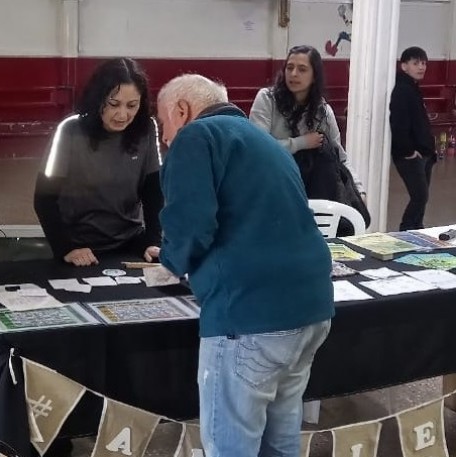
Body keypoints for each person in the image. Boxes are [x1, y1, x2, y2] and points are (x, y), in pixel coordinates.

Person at [154, 73, 334, 457]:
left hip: (250, 316)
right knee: (280, 441)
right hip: (311, 310)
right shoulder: (263, 141)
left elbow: (191, 225)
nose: (165, 139)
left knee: (230, 447)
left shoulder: (195, 137)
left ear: (181, 111)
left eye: (163, 126)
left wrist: (169, 259)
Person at [33, 57, 163, 267]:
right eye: (113, 104)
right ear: (98, 98)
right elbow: (44, 199)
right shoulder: (69, 130)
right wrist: (66, 248)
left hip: (130, 241)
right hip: (79, 247)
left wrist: (152, 241)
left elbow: (153, 191)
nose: (123, 114)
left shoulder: (146, 128)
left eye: (132, 105)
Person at [249, 45, 366, 201]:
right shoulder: (267, 99)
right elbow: (258, 151)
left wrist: (358, 189)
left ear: (314, 76)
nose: (294, 74)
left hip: (312, 190)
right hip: (272, 185)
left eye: (302, 69)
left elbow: (340, 157)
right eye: (289, 68)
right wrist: (301, 143)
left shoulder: (323, 111)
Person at [390, 46, 436, 231]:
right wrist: (408, 151)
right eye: (416, 63)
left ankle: (417, 230)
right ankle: (406, 231)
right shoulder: (402, 89)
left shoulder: (413, 88)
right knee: (420, 196)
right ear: (404, 66)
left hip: (424, 153)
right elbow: (399, 123)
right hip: (410, 155)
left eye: (423, 63)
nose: (421, 67)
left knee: (422, 198)